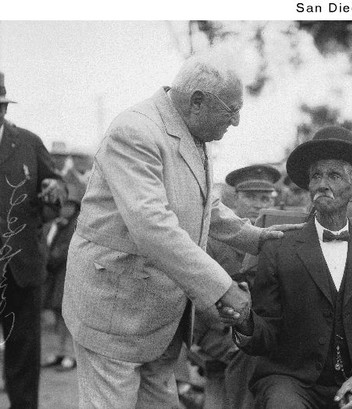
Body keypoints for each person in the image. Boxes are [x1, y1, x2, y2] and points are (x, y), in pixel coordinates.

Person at [62, 51, 297, 409]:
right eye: (231, 110)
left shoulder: (191, 133)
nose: (235, 122)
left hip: (156, 314)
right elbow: (152, 226)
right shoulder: (135, 132)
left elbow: (206, 206)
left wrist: (254, 237)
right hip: (115, 312)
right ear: (197, 101)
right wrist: (223, 288)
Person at [220, 126, 352, 409]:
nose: (322, 183)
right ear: (308, 186)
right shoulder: (279, 247)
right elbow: (265, 334)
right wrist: (245, 320)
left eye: (334, 175)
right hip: (294, 381)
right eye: (316, 176)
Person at [0, 71, 66, 408]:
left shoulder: (28, 143)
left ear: (4, 108)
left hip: (21, 267)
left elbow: (56, 196)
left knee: (23, 354)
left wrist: (53, 193)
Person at [194, 164, 280, 409]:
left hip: (260, 325)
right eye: (250, 197)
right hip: (216, 328)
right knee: (248, 353)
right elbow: (199, 298)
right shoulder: (212, 239)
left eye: (264, 198)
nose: (257, 204)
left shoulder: (276, 238)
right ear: (235, 198)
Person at [42, 175, 87, 372]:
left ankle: (70, 354)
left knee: (68, 319)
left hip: (68, 278)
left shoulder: (75, 224)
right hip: (58, 277)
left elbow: (62, 251)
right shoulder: (60, 223)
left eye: (69, 204)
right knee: (58, 316)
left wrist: (48, 258)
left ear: (76, 206)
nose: (65, 208)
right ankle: (61, 352)